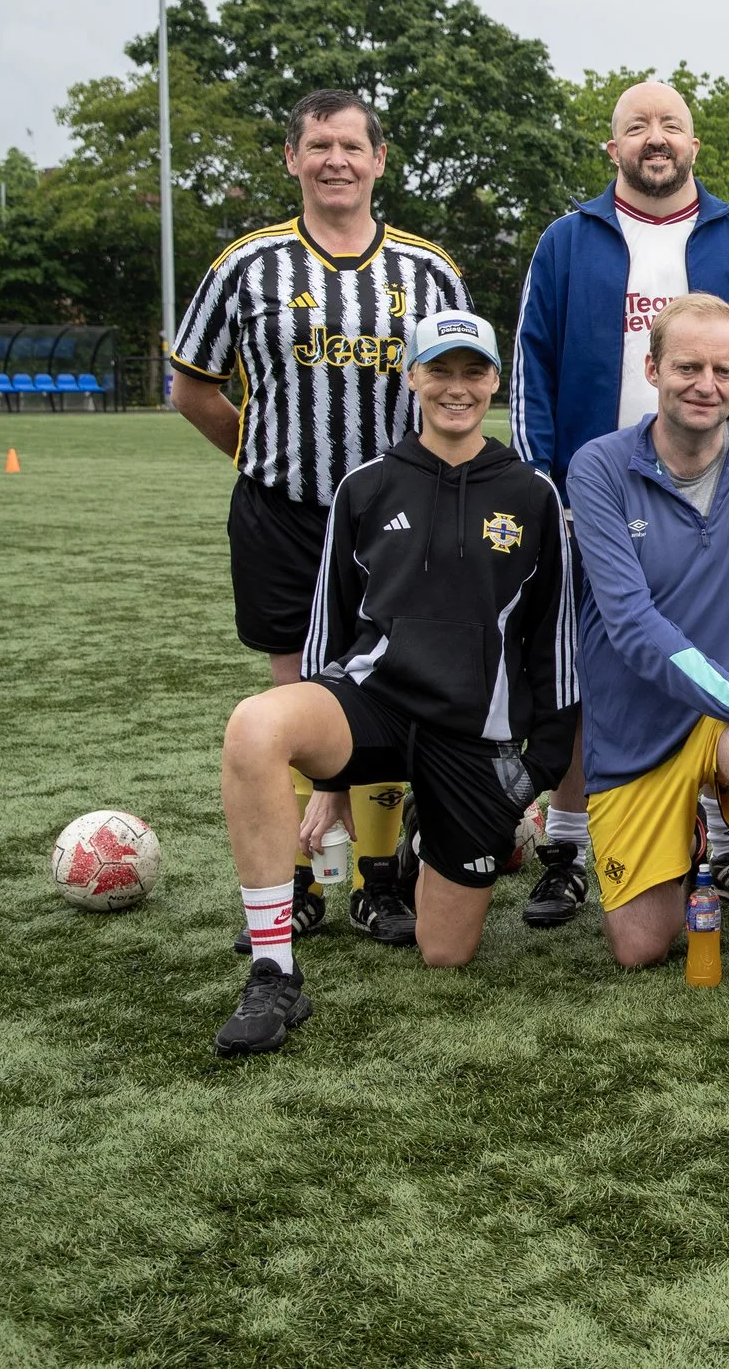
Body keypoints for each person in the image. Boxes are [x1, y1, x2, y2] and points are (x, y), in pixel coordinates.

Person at [210, 310, 575, 1055]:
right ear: (411, 377)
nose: (456, 387)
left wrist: (535, 771)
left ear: (494, 382)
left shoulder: (534, 494)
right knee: (255, 724)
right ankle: (275, 970)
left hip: (475, 732)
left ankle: (426, 834)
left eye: (473, 371)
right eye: (439, 369)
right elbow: (327, 633)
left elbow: (556, 645)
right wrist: (328, 780)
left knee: (446, 950)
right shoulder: (366, 487)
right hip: (373, 703)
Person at [170, 88, 468, 952]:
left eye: (351, 145)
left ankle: (379, 878)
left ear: (379, 160)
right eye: (318, 145)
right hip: (282, 515)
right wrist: (258, 452)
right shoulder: (248, 264)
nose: (335, 159)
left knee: (388, 683)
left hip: (394, 518)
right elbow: (193, 384)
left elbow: (452, 387)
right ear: (293, 160)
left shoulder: (427, 270)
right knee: (295, 691)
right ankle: (296, 882)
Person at [509, 79, 729, 931]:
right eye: (636, 126)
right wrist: (548, 494)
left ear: (694, 144)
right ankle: (567, 843)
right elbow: (533, 367)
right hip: (595, 500)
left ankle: (717, 836)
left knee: (719, 650)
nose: (655, 137)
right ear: (614, 149)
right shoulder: (569, 241)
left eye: (670, 123)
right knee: (583, 667)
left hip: (719, 490)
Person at [563, 294, 729, 1011]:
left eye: (723, 368)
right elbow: (630, 622)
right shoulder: (598, 468)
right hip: (635, 724)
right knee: (640, 946)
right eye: (687, 365)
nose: (704, 383)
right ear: (652, 368)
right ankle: (692, 846)